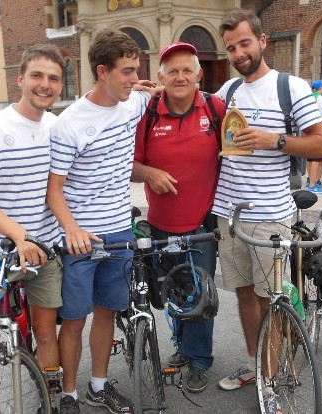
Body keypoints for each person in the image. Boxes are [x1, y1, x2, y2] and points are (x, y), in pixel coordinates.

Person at [212, 9, 322, 407]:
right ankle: (255, 363)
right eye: (231, 47)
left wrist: (274, 140)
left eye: (245, 43)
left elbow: (321, 144)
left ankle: (272, 379)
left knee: (269, 300)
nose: (239, 52)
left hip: (270, 216)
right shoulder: (227, 92)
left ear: (262, 41)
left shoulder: (290, 87)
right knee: (244, 294)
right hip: (228, 215)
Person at [47, 28, 153, 414]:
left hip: (120, 232)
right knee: (74, 320)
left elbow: (148, 92)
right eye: (126, 71)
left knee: (107, 312)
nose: (132, 78)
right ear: (101, 70)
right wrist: (71, 229)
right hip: (81, 237)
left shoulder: (133, 102)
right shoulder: (69, 123)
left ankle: (98, 386)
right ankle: (69, 394)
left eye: (135, 70)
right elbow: (53, 189)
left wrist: (145, 86)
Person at [0, 43, 65, 413]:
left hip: (44, 251)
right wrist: (19, 236)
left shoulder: (57, 127)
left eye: (54, 78)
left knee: (46, 332)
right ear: (20, 78)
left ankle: (48, 401)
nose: (45, 84)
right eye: (37, 75)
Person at [131, 41, 224, 394]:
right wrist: (150, 174)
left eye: (187, 70)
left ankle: (200, 361)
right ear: (160, 76)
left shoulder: (216, 108)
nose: (180, 76)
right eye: (172, 71)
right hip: (161, 222)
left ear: (199, 74)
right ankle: (183, 347)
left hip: (202, 224)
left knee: (200, 293)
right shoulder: (149, 111)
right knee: (174, 291)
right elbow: (130, 164)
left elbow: (236, 151)